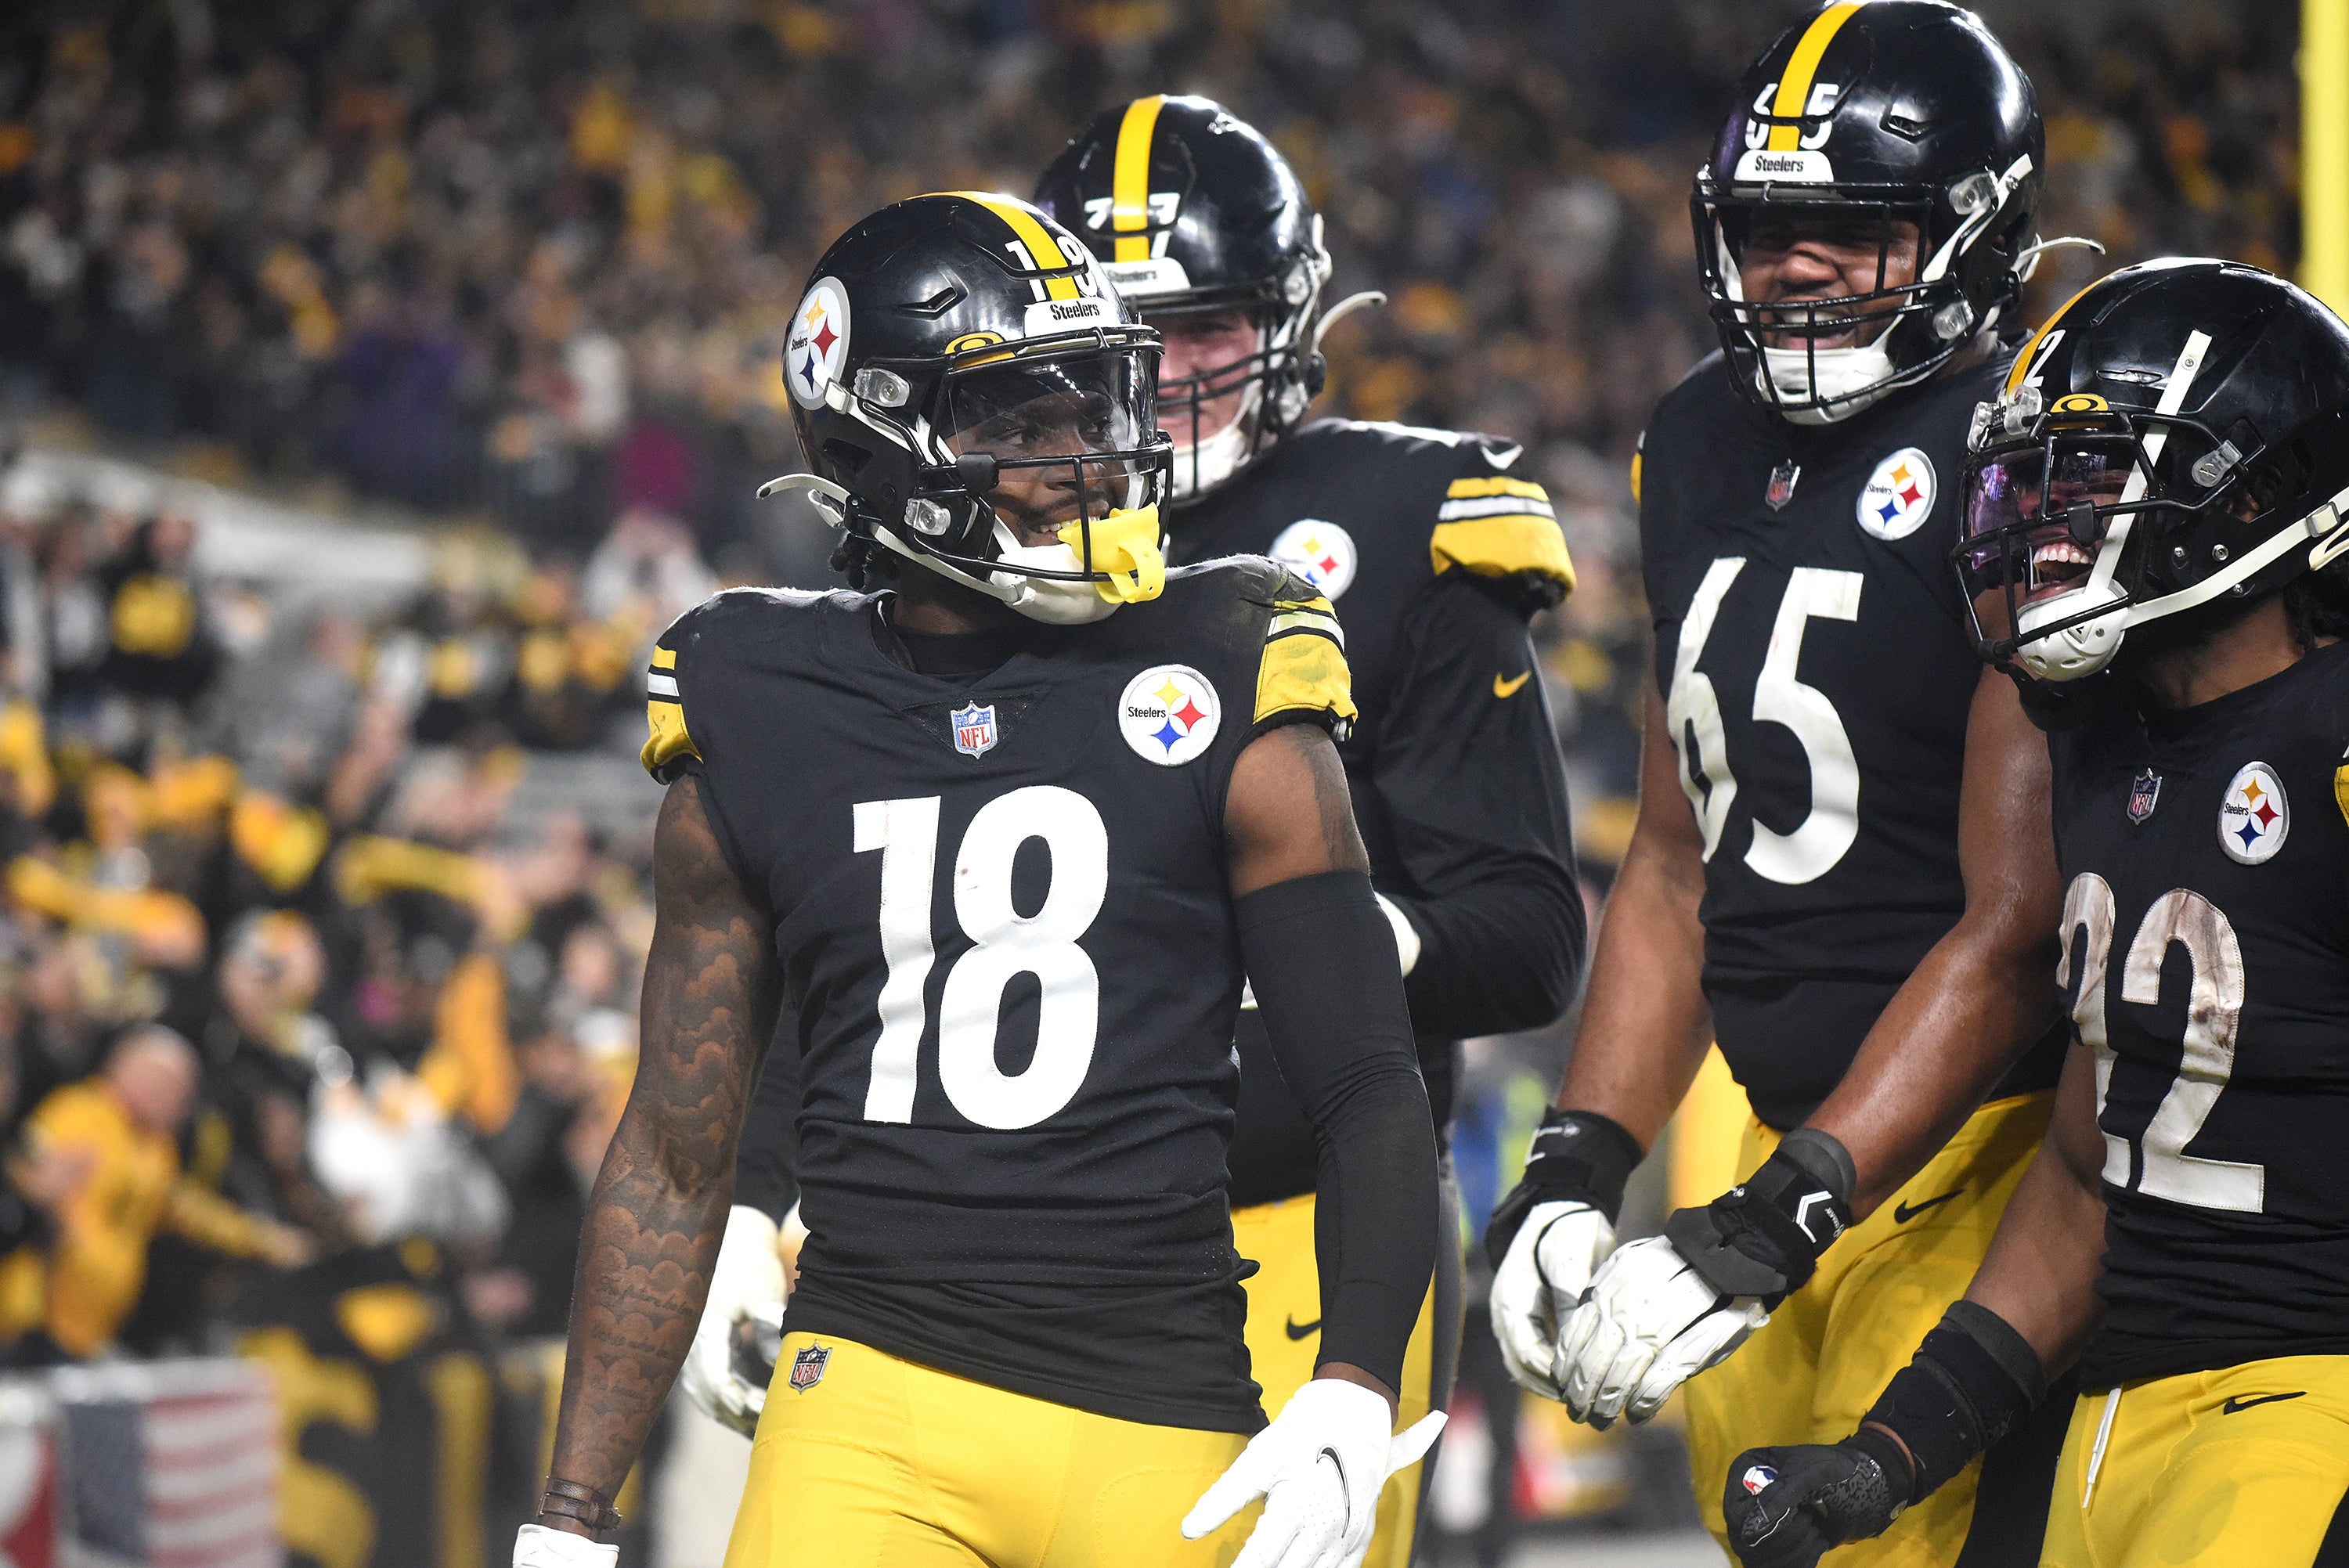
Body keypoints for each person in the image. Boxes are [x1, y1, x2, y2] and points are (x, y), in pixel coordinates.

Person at [687, 102, 1585, 1568]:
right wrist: (752, 1195)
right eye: (1125, 339)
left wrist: (1305, 944)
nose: (1162, 380)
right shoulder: (964, 552)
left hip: (1297, 1211)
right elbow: (871, 920)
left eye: (1205, 326)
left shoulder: (1401, 515)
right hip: (970, 1277)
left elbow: (1533, 940)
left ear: (1286, 317)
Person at [514, 192, 1442, 1568]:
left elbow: (1368, 1079)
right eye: (1021, 418)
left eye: (1093, 400)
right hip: (867, 1397)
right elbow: (670, 1141)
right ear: (878, 442)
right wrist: (571, 1518)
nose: (1087, 456)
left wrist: (1355, 1382)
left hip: (1163, 1407)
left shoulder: (1227, 655)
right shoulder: (762, 696)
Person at [1482, 4, 2083, 1559]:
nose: (1796, 266)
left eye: (1854, 229)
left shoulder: (2031, 445)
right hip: (1770, 1148)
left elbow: (2016, 926)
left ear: (1971, 233)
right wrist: (1576, 1162)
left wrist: (1790, 1207)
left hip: (1982, 1161)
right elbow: (1679, 858)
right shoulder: (1691, 435)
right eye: (1766, 228)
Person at [1720, 258, 2349, 1566]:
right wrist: (1886, 1456)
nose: (2047, 524)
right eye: (2034, 485)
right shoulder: (2100, 745)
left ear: (2258, 491)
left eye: (2097, 477)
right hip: (2117, 1423)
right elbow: (2087, 1171)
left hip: (2305, 1407)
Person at [23, 1025, 312, 1357]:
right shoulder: (77, 1115)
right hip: (38, 1323)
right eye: (178, 1093)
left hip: (91, 1332)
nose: (182, 1109)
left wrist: (263, 1238)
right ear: (145, 1079)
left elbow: (187, 1208)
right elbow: (31, 1197)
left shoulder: (156, 1147)